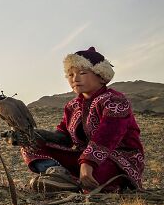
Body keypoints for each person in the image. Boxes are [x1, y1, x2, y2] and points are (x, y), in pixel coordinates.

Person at [10, 47, 144, 193]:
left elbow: (108, 136)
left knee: (96, 175)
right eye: (70, 74)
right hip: (83, 160)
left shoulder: (115, 100)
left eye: (82, 73)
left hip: (118, 160)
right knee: (30, 144)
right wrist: (31, 135)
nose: (75, 79)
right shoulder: (72, 106)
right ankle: (59, 176)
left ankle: (70, 183)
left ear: (101, 75)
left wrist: (88, 163)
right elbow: (64, 137)